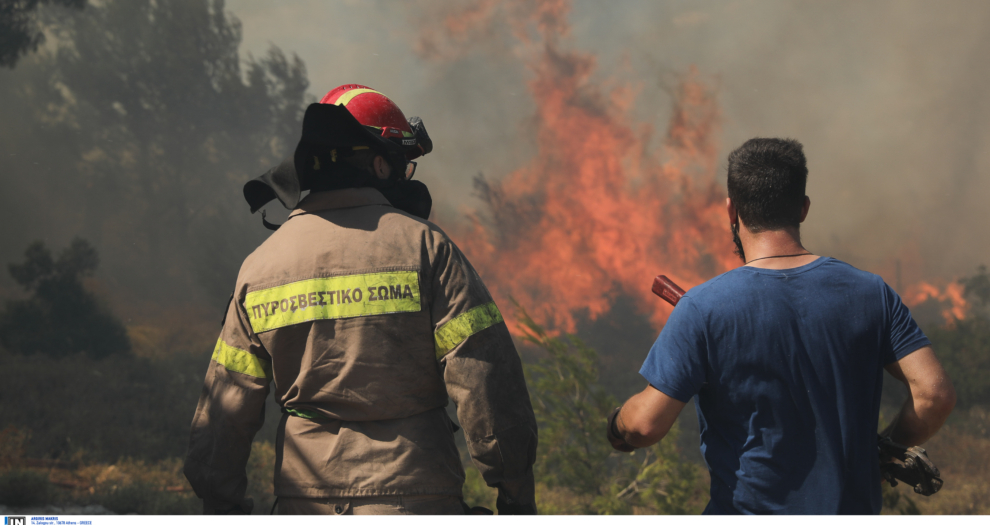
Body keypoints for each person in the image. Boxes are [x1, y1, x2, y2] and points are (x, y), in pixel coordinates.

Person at [184, 85, 538, 515]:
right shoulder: (426, 249)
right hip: (416, 498)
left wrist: (221, 506)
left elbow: (224, 410)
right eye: (401, 165)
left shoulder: (261, 267)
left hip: (303, 505)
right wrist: (515, 493)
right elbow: (487, 382)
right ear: (377, 164)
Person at [607, 137, 956, 514]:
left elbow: (644, 425)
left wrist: (617, 426)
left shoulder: (705, 307)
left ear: (731, 210)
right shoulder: (872, 294)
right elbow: (934, 395)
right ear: (803, 208)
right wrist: (884, 450)